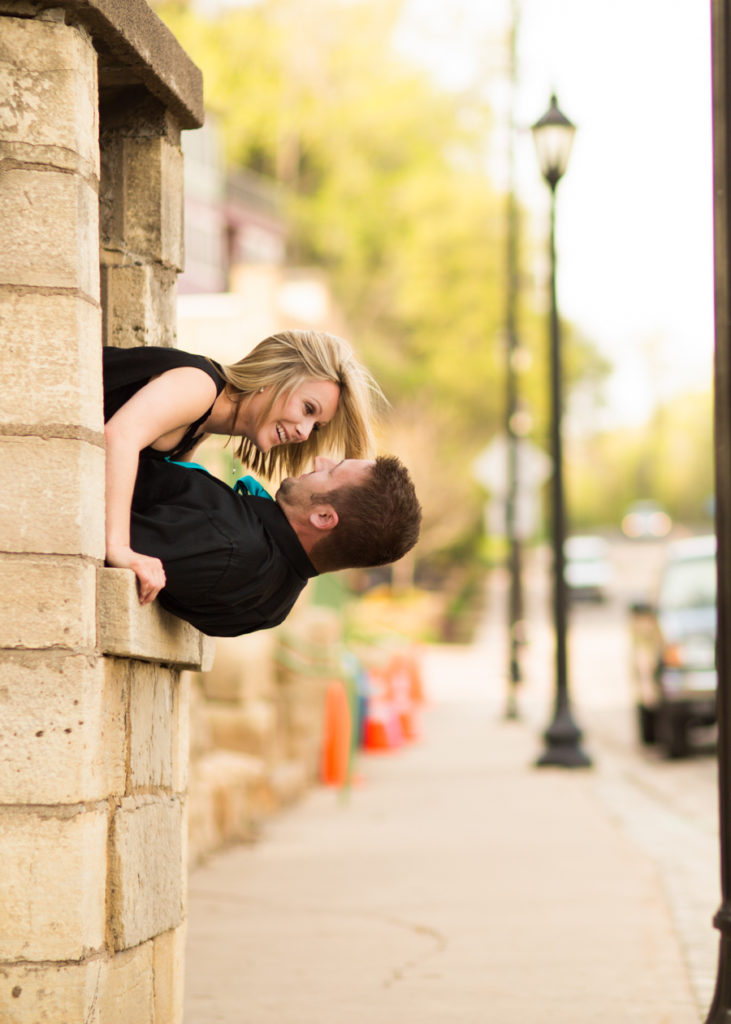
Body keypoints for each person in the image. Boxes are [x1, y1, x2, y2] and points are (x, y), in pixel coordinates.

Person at [103, 331, 382, 603]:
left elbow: (161, 489)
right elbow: (120, 436)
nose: (305, 433)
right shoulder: (199, 386)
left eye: (316, 427)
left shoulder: (203, 426)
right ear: (276, 376)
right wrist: (119, 549)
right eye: (308, 409)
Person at [127, 454, 422, 637]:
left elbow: (96, 520)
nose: (321, 459)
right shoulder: (275, 606)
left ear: (322, 517)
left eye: (332, 471)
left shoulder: (230, 544)